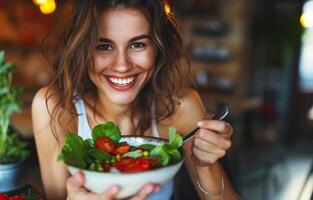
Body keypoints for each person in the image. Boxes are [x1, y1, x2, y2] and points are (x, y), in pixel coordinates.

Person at [32, 0, 241, 199]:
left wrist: (205, 165)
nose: (122, 65)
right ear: (82, 50)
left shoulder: (180, 107)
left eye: (137, 45)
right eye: (104, 46)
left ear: (157, 48)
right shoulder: (53, 108)